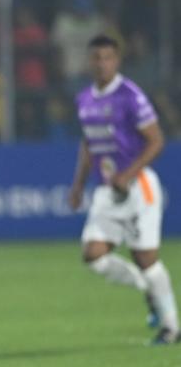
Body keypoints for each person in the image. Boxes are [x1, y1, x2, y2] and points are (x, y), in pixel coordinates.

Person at [68, 35, 179, 345]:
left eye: (107, 57)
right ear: (89, 61)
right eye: (96, 58)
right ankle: (147, 290)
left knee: (146, 258)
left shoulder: (130, 95)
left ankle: (172, 327)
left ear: (117, 61)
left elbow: (156, 139)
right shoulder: (84, 99)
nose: (102, 63)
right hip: (107, 190)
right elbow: (88, 143)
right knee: (93, 255)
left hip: (138, 186)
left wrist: (128, 174)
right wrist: (78, 184)